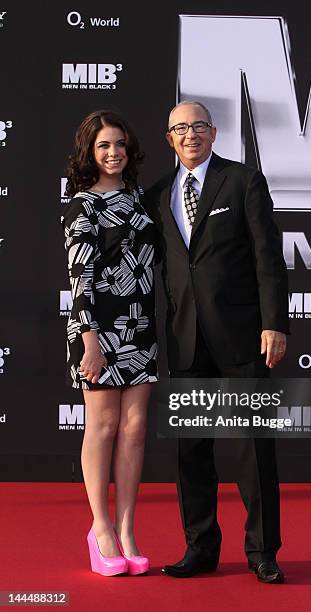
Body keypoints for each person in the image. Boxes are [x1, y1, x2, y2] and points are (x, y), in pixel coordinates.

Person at [147, 100, 289, 584]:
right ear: (169, 139)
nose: (190, 135)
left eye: (199, 126)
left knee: (252, 447)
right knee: (192, 451)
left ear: (215, 132)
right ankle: (200, 547)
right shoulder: (157, 194)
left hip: (242, 336)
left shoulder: (243, 180)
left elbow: (269, 258)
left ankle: (263, 552)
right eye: (180, 129)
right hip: (185, 340)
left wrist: (275, 323)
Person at [61, 110, 158, 576]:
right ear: (89, 152)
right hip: (98, 328)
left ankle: (126, 530)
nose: (113, 152)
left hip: (140, 326)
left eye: (119, 144)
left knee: (135, 429)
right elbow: (80, 278)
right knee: (102, 427)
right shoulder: (83, 205)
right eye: (103, 146)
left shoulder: (141, 199)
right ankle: (100, 529)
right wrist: (90, 341)